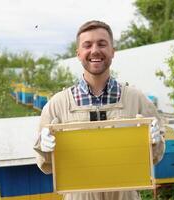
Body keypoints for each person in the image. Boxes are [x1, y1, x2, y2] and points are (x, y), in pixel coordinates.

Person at [34, 20, 165, 200]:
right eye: (87, 45)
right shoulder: (57, 104)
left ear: (113, 51)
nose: (95, 50)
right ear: (78, 54)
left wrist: (156, 142)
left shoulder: (137, 100)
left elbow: (156, 157)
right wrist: (44, 147)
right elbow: (45, 165)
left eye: (102, 44)